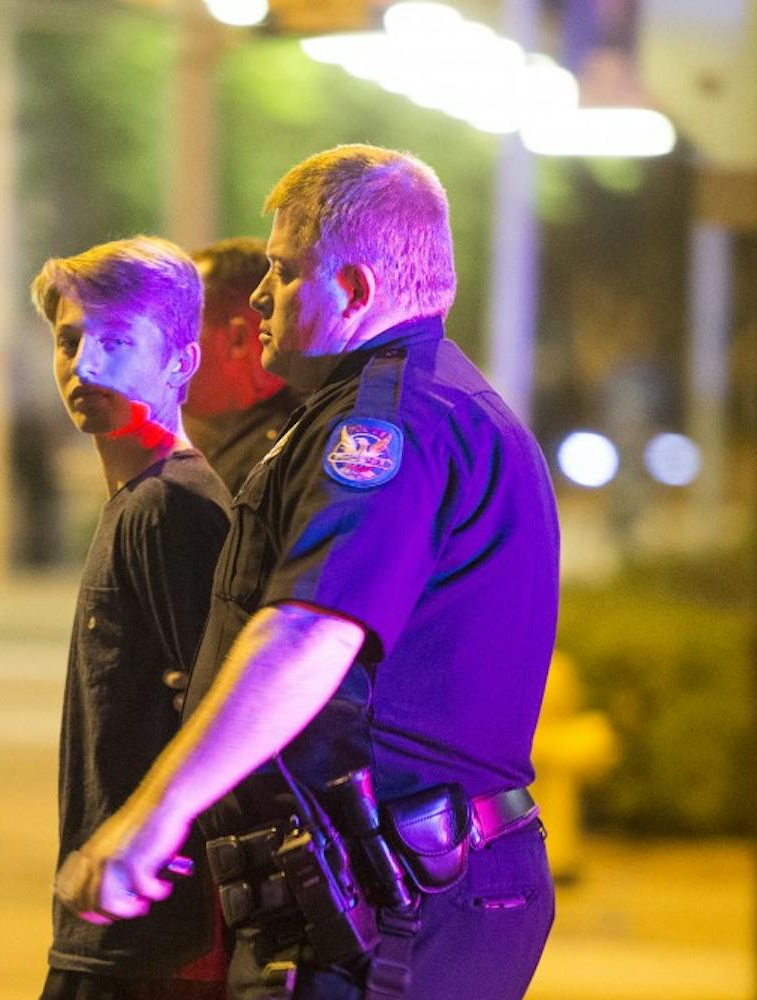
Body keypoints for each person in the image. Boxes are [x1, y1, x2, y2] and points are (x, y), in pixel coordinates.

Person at [55, 145, 559, 1000]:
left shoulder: (387, 430)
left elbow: (310, 630)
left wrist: (153, 816)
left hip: (395, 900)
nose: (257, 296)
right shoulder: (423, 402)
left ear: (356, 292)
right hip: (401, 883)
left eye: (284, 273)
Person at [29, 237, 233, 1000]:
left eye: (116, 342)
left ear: (181, 361)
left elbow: (218, 713)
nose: (84, 366)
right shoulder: (137, 504)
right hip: (119, 931)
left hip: (150, 944)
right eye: (69, 340)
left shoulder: (168, 509)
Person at [183, 237, 303, 495]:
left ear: (236, 338)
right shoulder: (231, 443)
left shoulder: (282, 459)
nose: (164, 347)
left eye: (181, 327)